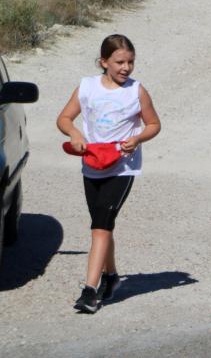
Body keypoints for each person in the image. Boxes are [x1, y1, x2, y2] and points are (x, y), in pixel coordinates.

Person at [57, 34, 161, 313]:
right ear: (104, 62)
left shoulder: (137, 91)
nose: (126, 68)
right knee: (102, 223)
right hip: (92, 164)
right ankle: (112, 276)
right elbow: (64, 118)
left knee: (101, 225)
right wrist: (75, 132)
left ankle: (89, 290)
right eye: (119, 62)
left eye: (130, 62)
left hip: (123, 167)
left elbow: (153, 124)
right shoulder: (87, 87)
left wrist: (138, 139)